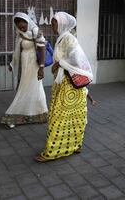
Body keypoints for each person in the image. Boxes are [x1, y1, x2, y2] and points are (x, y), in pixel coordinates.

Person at [34, 12, 93, 162]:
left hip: (70, 86)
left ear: (62, 24)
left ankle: (52, 151)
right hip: (64, 84)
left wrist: (60, 63)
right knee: (71, 118)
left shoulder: (68, 39)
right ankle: (74, 145)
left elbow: (77, 59)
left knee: (58, 118)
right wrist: (59, 64)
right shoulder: (62, 38)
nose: (52, 26)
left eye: (54, 23)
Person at [1, 12, 48, 128]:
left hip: (34, 65)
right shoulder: (20, 34)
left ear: (27, 22)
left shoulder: (36, 31)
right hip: (24, 66)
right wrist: (13, 63)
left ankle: (13, 116)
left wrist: (41, 68)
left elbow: (42, 49)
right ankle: (39, 114)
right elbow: (17, 50)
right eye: (19, 27)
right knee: (32, 89)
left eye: (23, 26)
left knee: (27, 89)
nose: (21, 28)